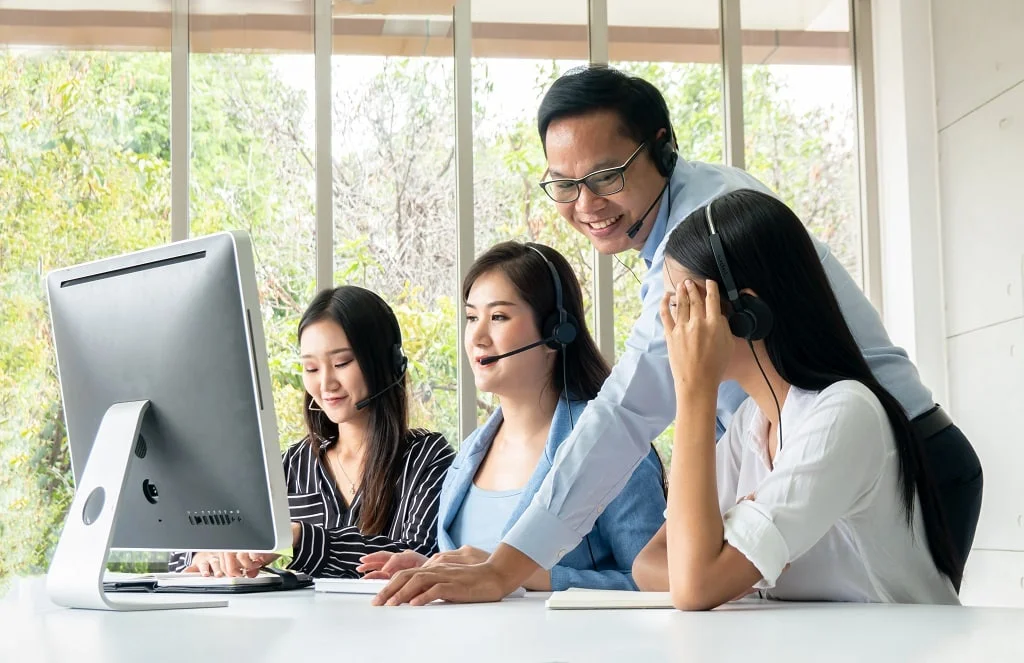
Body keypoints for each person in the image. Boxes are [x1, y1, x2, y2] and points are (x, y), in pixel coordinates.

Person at [373, 65, 981, 607]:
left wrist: (507, 566)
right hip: (780, 448)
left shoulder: (707, 231)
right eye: (563, 183)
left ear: (660, 147)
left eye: (605, 175)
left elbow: (625, 413)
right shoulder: (747, 426)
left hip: (899, 456)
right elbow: (664, 561)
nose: (584, 203)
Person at [630, 189, 960, 609]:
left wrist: (694, 390)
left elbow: (694, 586)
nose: (674, 328)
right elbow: (650, 563)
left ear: (747, 314)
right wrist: (726, 561)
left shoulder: (844, 413)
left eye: (687, 305)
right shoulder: (750, 423)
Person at [357, 241, 665, 592]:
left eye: (498, 317)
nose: (477, 336)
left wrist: (522, 575)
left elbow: (657, 584)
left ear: (555, 332)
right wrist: (434, 568)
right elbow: (479, 567)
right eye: (472, 317)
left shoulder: (611, 448)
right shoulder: (472, 451)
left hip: (571, 647)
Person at [170, 285, 454, 578]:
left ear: (388, 363)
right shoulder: (294, 464)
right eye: (311, 368)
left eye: (341, 363)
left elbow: (418, 556)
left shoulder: (426, 456)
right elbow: (186, 546)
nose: (326, 383)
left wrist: (300, 538)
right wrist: (203, 554)